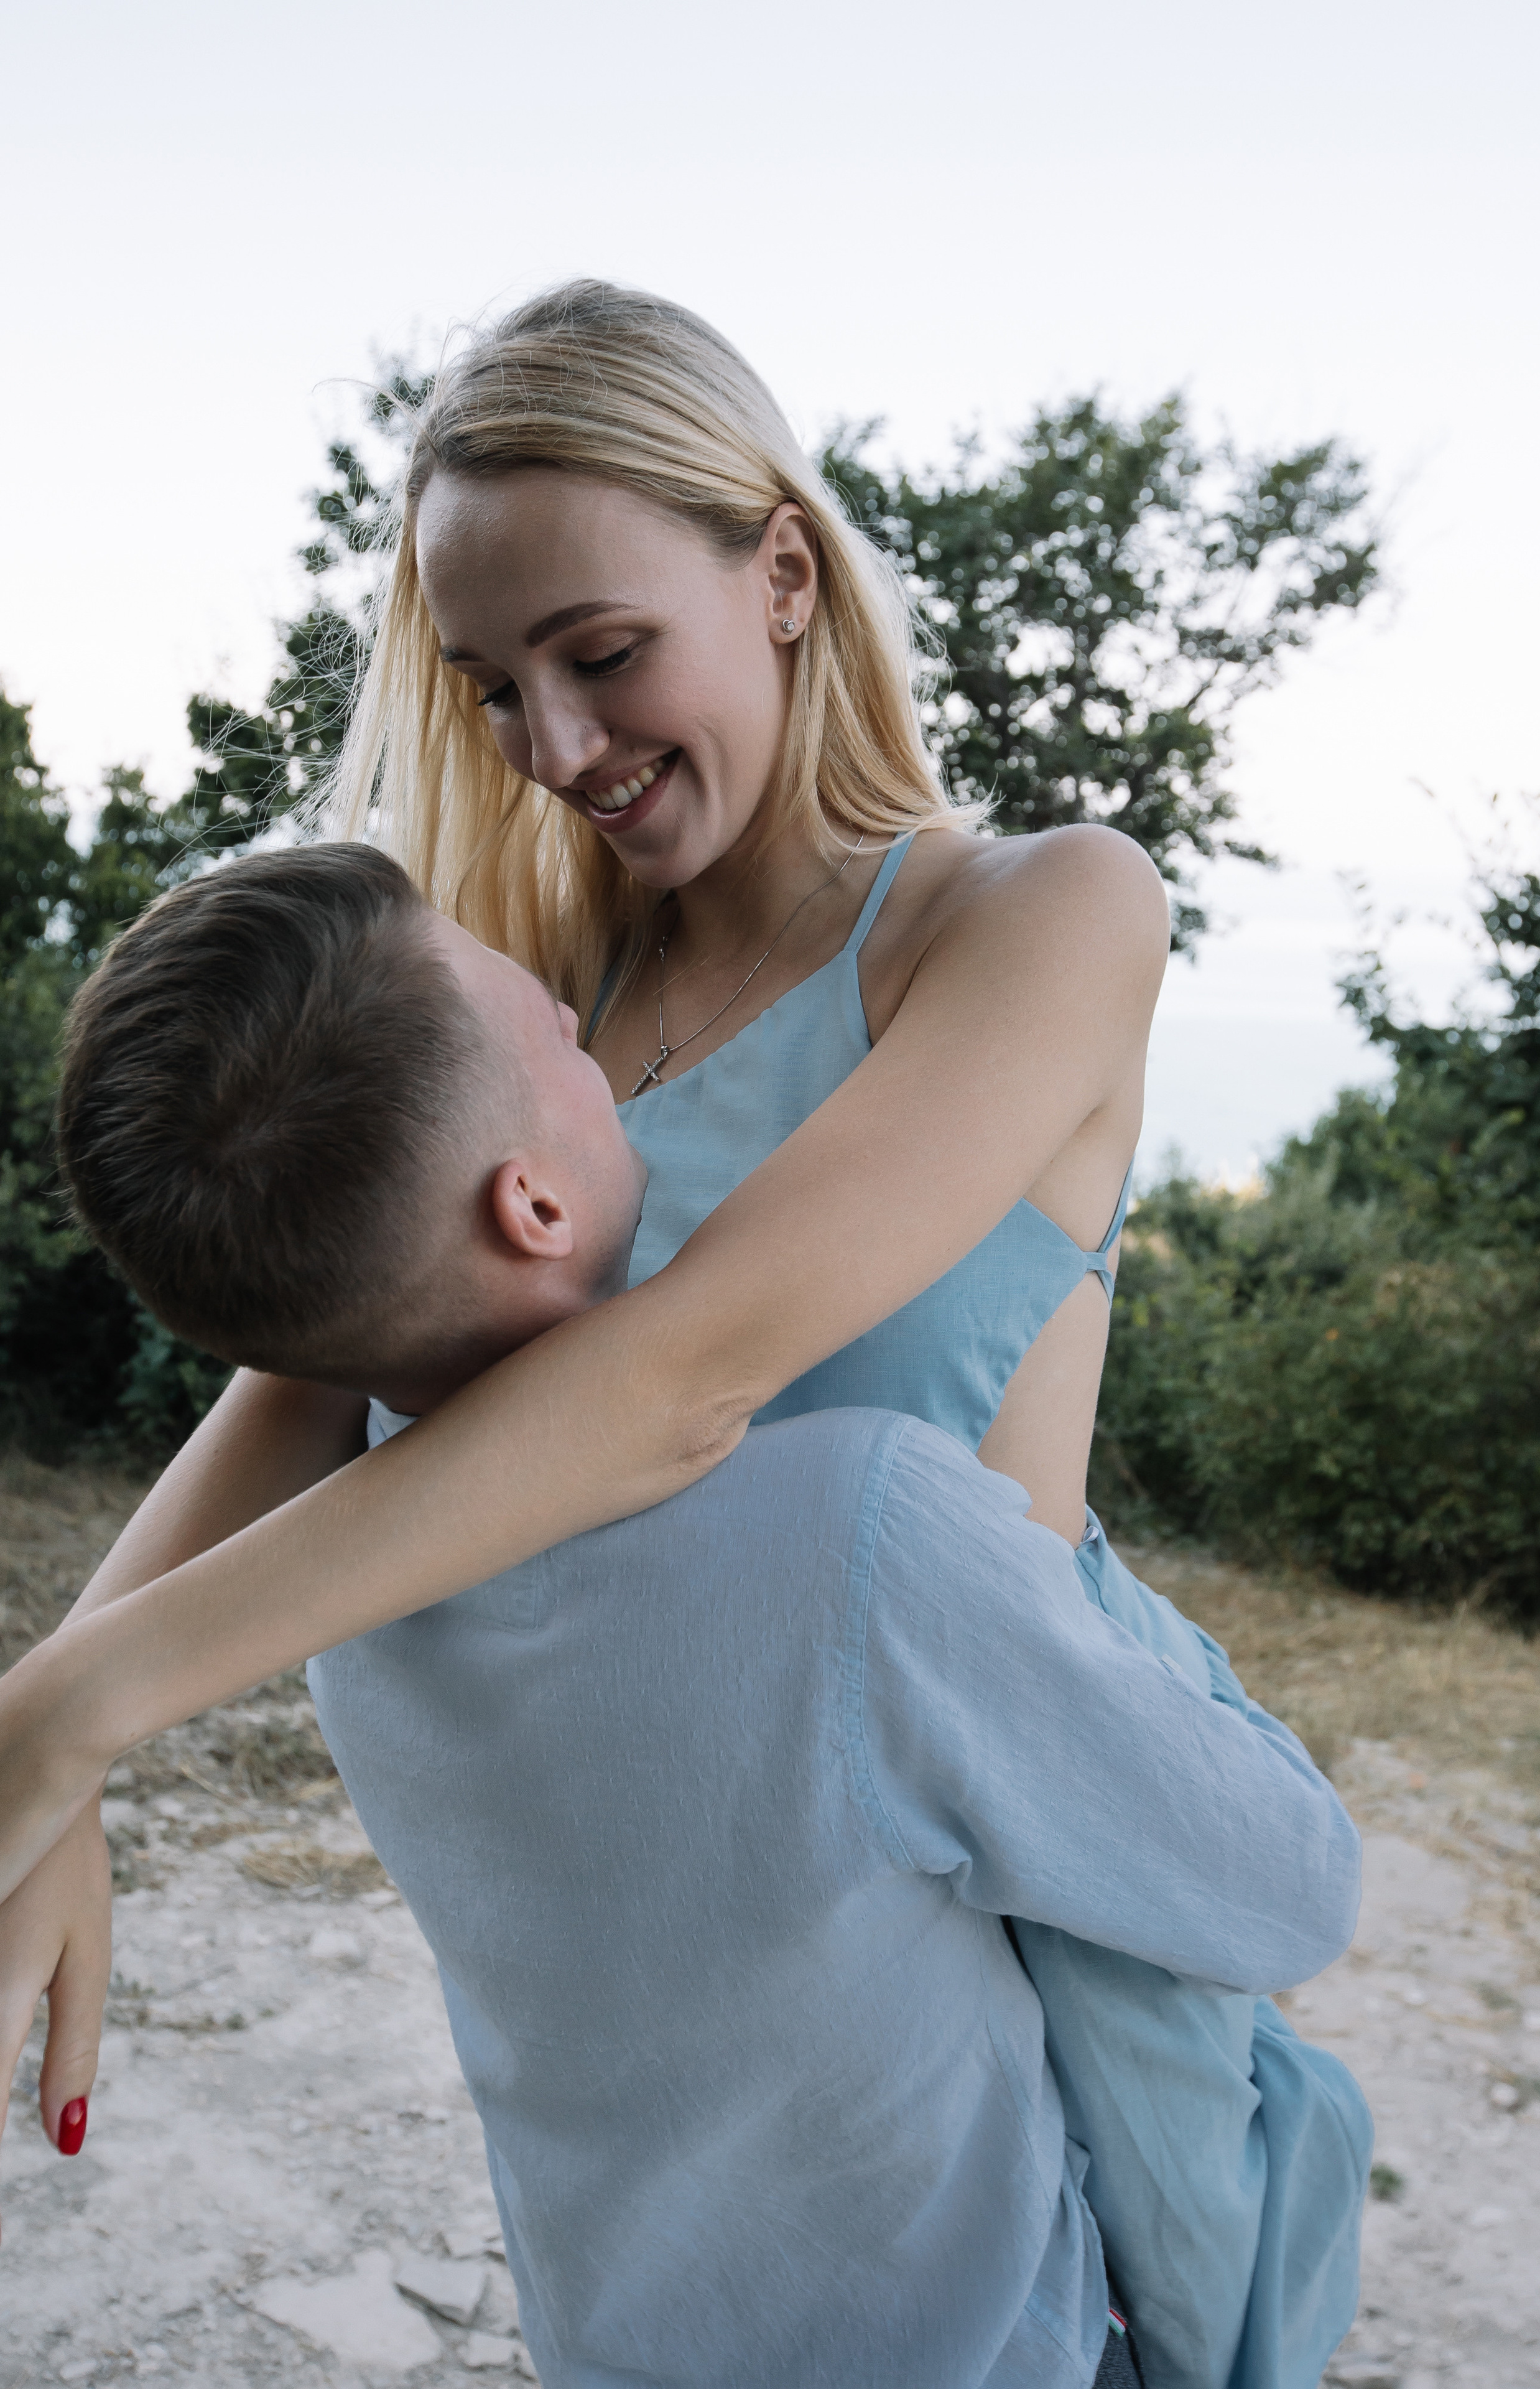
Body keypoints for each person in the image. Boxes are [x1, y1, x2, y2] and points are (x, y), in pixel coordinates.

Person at [0, 281, 1369, 2385]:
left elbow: (689, 1380)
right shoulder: (543, 985)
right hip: (691, 2002)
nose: (555, 748)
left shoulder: (1035, 918)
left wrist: (78, 1708)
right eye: (490, 687)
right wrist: (53, 1738)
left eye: (603, 653)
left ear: (788, 575)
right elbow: (305, 1380)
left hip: (1003, 1958)